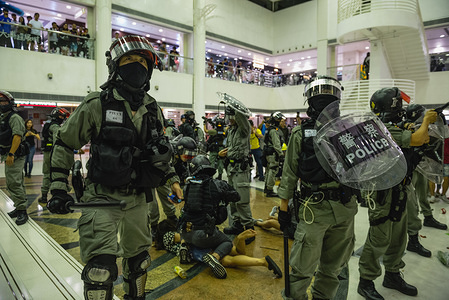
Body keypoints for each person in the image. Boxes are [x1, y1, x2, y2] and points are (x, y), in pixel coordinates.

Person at [46, 35, 183, 300]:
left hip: (138, 199)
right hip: (100, 198)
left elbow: (159, 151)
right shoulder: (96, 103)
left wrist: (172, 179)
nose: (137, 66)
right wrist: (58, 188)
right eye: (129, 59)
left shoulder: (152, 109)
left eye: (142, 61)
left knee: (140, 262)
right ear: (115, 66)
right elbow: (64, 142)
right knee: (100, 270)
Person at [277, 76, 359, 300]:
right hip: (314, 210)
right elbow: (289, 175)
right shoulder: (300, 134)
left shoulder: (349, 131)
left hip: (345, 209)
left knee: (333, 269)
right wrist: (283, 210)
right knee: (302, 268)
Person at [357, 87, 437, 300]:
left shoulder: (389, 126)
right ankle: (365, 281)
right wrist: (427, 121)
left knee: (399, 236)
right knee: (379, 238)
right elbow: (419, 139)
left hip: (400, 188)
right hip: (382, 192)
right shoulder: (380, 129)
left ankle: (392, 274)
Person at [176, 155, 241, 278]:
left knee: (190, 224)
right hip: (203, 235)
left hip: (184, 232)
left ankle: (184, 245)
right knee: (227, 242)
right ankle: (214, 257)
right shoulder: (217, 184)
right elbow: (236, 196)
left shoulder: (188, 186)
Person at [156, 221, 283, 279]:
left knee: (228, 260)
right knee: (234, 254)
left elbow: (180, 237)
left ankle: (261, 261)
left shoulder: (166, 236)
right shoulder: (183, 225)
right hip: (208, 240)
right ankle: (258, 257)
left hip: (199, 248)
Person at [218, 94, 255, 244]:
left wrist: (235, 108)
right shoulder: (231, 130)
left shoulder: (243, 128)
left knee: (242, 200)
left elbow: (241, 119)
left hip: (241, 169)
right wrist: (223, 154)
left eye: (231, 116)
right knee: (232, 199)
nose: (230, 119)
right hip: (232, 168)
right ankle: (238, 224)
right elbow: (233, 147)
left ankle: (249, 229)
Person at [150, 136, 198, 239]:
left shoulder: (180, 157)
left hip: (165, 177)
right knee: (152, 204)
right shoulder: (166, 151)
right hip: (150, 176)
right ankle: (153, 226)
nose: (189, 158)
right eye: (187, 155)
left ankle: (171, 217)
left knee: (167, 195)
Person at [1, 91, 28, 225]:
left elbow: (17, 136)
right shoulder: (4, 117)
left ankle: (22, 211)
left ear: (10, 103)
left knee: (14, 183)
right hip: (8, 154)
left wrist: (11, 154)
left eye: (4, 102)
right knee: (14, 182)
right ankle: (19, 207)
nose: (1, 104)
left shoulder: (14, 118)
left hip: (15, 155)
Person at [38, 107, 70, 204]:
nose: (62, 118)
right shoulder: (55, 126)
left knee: (47, 174)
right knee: (54, 173)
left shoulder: (48, 124)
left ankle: (44, 196)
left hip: (48, 152)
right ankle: (54, 195)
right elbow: (58, 137)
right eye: (61, 116)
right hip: (53, 153)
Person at [263, 111, 286, 197]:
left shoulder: (269, 129)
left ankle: (267, 188)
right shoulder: (274, 131)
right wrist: (281, 154)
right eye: (279, 119)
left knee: (269, 171)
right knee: (272, 171)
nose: (280, 121)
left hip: (268, 153)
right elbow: (276, 144)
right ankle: (269, 190)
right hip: (273, 154)